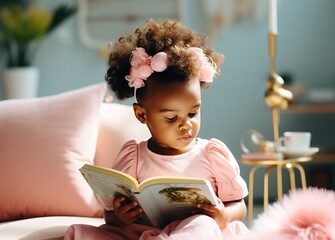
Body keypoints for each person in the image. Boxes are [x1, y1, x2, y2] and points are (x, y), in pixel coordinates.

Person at [64, 19, 249, 240]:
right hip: (145, 234)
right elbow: (110, 216)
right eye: (171, 117)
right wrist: (119, 217)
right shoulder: (133, 157)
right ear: (142, 115)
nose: (186, 124)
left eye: (193, 113)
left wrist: (223, 215)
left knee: (201, 224)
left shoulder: (213, 154)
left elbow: (240, 206)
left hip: (200, 234)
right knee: (85, 235)